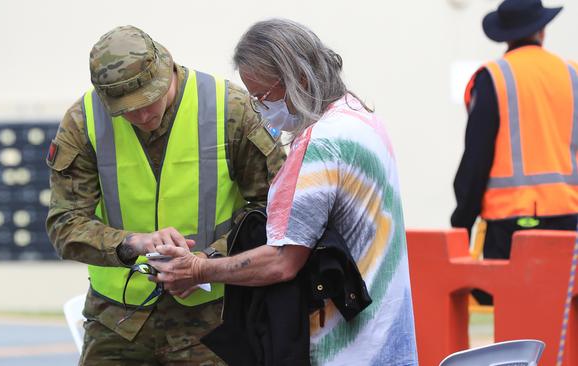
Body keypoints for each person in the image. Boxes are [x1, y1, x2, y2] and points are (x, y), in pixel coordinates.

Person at [150, 19, 418, 365]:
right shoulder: (360, 118)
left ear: (299, 78)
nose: (261, 109)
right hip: (385, 337)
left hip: (342, 349)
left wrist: (199, 270)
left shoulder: (320, 145)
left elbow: (281, 262)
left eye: (263, 97)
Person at [45, 25, 284, 365]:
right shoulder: (82, 122)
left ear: (167, 69)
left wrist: (205, 264)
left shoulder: (230, 109)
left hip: (213, 318)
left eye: (149, 100)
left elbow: (274, 209)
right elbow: (64, 225)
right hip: (118, 321)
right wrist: (133, 243)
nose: (142, 116)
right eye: (126, 109)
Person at [451, 0, 578, 302]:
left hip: (512, 226)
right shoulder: (572, 75)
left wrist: (462, 223)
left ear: (505, 35)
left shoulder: (494, 78)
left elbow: (477, 159)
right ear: (542, 31)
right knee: (563, 315)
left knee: (515, 316)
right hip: (570, 220)